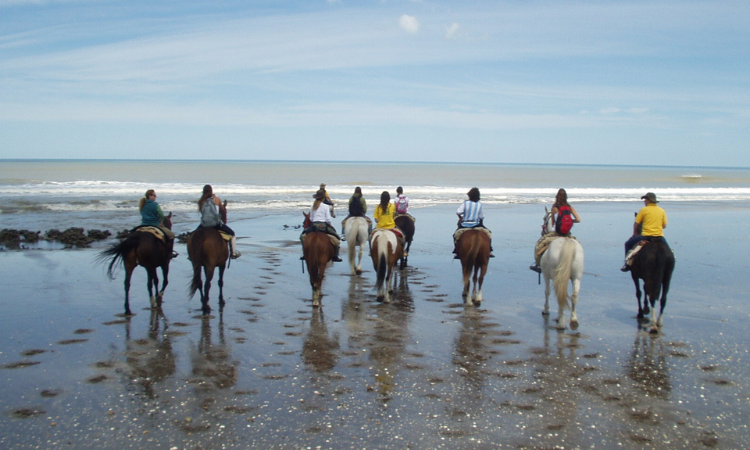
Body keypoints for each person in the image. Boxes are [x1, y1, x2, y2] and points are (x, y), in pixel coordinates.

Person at [529, 188, 581, 273]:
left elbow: (553, 223)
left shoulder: (555, 208)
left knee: (539, 245)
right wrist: (570, 220)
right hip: (567, 233)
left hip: (557, 233)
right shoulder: (570, 207)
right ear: (566, 197)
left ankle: (539, 266)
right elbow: (578, 220)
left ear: (557, 197)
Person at [621, 192, 668, 272]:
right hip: (659, 237)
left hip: (646, 236)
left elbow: (637, 223)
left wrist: (635, 233)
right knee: (668, 251)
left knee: (627, 244)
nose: (644, 201)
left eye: (645, 199)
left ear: (649, 200)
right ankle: (668, 265)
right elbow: (664, 226)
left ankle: (627, 264)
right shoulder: (662, 211)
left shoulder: (644, 210)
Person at [198, 184, 241, 259]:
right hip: (215, 224)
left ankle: (192, 254)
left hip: (204, 225)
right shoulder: (217, 199)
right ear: (211, 191)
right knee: (232, 234)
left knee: (193, 236)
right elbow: (222, 212)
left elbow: (203, 214)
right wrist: (224, 208)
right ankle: (233, 253)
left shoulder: (201, 201)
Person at [300, 189, 343, 262]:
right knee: (337, 240)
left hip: (313, 226)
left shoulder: (312, 206)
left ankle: (304, 254)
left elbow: (311, 218)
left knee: (302, 237)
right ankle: (335, 256)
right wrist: (329, 224)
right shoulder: (326, 206)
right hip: (323, 226)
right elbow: (328, 219)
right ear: (323, 198)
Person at [453, 187, 494, 258]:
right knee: (489, 234)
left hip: (465, 224)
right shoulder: (479, 204)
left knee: (455, 235)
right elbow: (482, 216)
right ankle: (489, 251)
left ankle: (457, 251)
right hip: (477, 224)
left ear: (469, 195)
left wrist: (463, 215)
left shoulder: (465, 203)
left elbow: (458, 212)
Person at [139, 189, 177, 258]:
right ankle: (170, 252)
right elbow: (161, 215)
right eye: (154, 195)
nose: (155, 197)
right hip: (154, 225)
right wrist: (162, 222)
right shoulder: (155, 204)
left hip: (143, 225)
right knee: (171, 235)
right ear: (149, 196)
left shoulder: (142, 204)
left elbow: (142, 214)